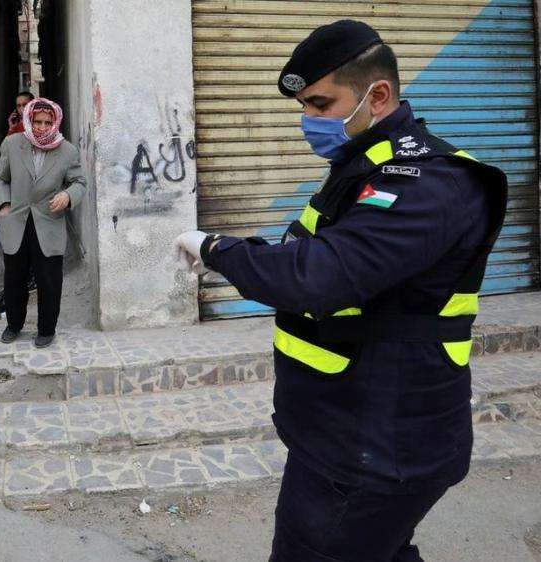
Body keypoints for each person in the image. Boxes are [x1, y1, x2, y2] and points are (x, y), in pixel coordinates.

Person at [173, 20, 507, 561]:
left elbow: (320, 276)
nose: (309, 120)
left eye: (321, 104)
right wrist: (243, 256)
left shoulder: (428, 182)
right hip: (345, 432)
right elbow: (319, 254)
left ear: (377, 95)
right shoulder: (364, 167)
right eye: (304, 106)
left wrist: (219, 250)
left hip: (376, 447)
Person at [0, 97, 86, 348]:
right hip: (16, 221)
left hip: (49, 222)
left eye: (47, 122)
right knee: (14, 279)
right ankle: (14, 325)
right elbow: (0, 179)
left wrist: (68, 196)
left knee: (49, 280)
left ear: (55, 122)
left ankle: (46, 329)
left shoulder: (67, 151)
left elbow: (79, 183)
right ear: (29, 120)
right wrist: (4, 203)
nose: (42, 128)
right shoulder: (12, 144)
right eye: (38, 122)